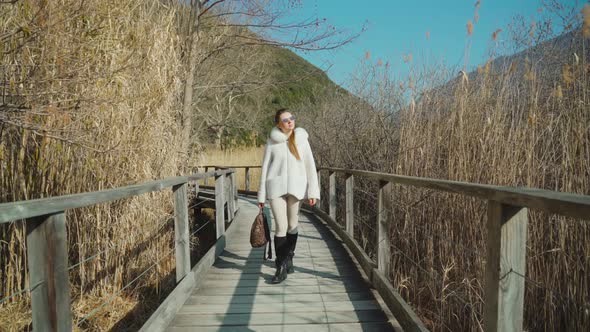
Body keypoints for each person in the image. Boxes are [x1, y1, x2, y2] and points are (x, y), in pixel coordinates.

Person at [257, 108, 320, 284]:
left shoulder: (302, 140)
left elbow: (310, 166)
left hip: (297, 188)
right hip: (275, 188)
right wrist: (261, 196)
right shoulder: (272, 142)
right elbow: (264, 169)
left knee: (293, 225)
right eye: (285, 120)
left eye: (292, 118)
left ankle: (289, 256)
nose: (290, 121)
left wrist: (313, 192)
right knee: (281, 226)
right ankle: (281, 266)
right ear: (279, 124)